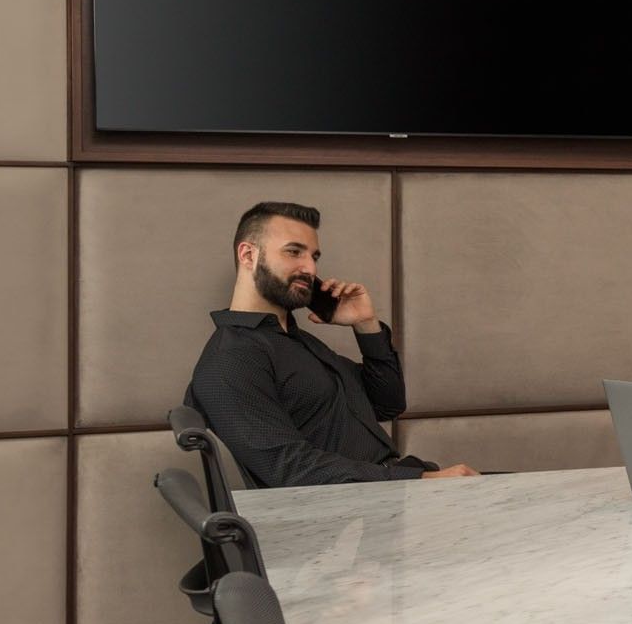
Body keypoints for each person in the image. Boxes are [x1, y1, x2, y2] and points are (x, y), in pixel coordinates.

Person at [187, 201, 478, 486]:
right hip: (356, 506)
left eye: (314, 257)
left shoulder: (296, 341)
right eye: (293, 252)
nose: (310, 268)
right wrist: (420, 480)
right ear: (248, 255)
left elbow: (387, 404)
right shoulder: (230, 358)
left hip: (390, 488)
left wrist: (365, 324)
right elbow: (288, 468)